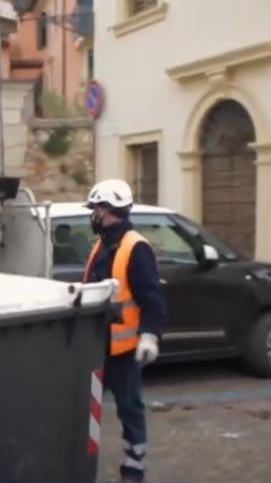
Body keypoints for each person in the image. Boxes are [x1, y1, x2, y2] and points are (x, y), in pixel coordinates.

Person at [82, 179, 166, 483]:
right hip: (95, 346)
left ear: (108, 210)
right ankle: (81, 459)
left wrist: (149, 335)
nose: (93, 215)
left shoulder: (135, 247)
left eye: (95, 209)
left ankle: (134, 463)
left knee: (129, 407)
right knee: (83, 406)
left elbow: (152, 297)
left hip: (124, 349)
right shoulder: (102, 246)